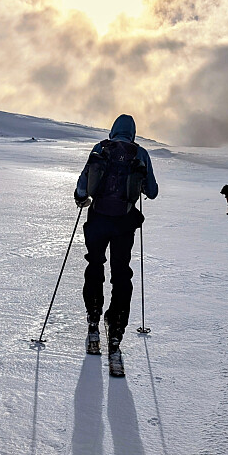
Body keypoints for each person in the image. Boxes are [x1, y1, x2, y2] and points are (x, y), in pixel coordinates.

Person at [74, 114, 158, 374]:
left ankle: (93, 321)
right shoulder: (140, 153)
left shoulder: (100, 149)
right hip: (124, 223)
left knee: (95, 265)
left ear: (113, 130)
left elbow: (83, 184)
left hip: (97, 220)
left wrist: (81, 199)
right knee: (121, 273)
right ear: (133, 132)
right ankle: (116, 329)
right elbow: (152, 191)